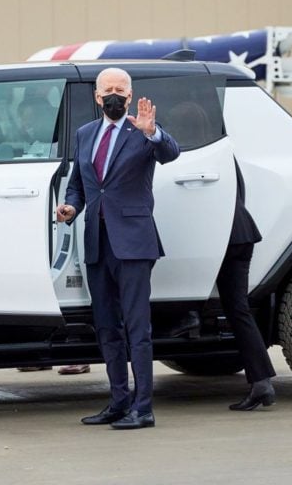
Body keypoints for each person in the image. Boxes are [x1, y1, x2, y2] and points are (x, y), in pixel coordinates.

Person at [57, 67, 180, 430]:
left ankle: (143, 408)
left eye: (120, 90)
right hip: (97, 242)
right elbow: (79, 185)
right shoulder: (84, 134)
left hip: (134, 242)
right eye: (107, 90)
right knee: (107, 327)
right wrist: (70, 207)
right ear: (97, 97)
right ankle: (118, 400)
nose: (114, 95)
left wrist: (152, 131)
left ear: (130, 96)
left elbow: (171, 153)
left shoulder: (142, 131)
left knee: (137, 328)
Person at [217, 161, 277, 410]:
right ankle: (262, 382)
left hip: (227, 236)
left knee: (237, 309)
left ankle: (262, 382)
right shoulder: (223, 155)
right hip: (242, 230)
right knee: (238, 309)